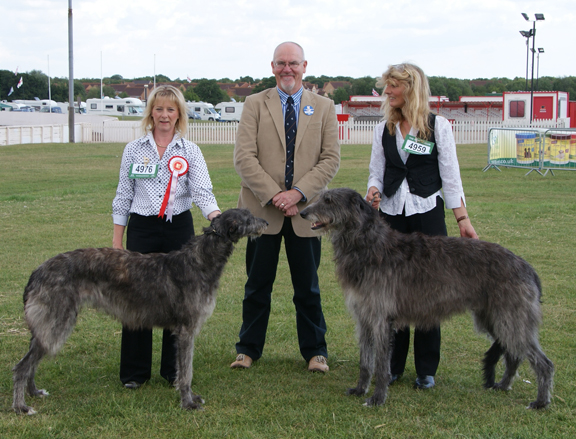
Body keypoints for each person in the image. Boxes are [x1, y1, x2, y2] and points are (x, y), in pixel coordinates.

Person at [366, 63, 478, 390]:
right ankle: (393, 365)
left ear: (411, 88)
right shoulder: (382, 128)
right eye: (387, 86)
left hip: (427, 211)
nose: (387, 92)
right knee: (392, 293)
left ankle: (426, 368)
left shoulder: (437, 126)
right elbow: (376, 171)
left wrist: (463, 219)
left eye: (393, 86)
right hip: (391, 216)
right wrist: (373, 190)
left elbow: (451, 177)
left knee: (429, 291)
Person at [231, 41, 340, 372]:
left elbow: (330, 159)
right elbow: (244, 158)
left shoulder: (323, 106)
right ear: (272, 66)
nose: (287, 69)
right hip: (262, 211)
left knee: (307, 287)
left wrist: (297, 194)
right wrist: (276, 195)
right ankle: (247, 349)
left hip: (306, 212)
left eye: (293, 63)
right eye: (281, 63)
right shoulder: (254, 103)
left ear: (305, 66)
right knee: (256, 285)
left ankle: (315, 351)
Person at [112, 85, 221, 389]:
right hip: (142, 230)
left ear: (179, 115)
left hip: (178, 230)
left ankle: (173, 371)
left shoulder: (190, 152)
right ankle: (134, 373)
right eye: (159, 109)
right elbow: (123, 196)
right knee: (136, 300)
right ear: (150, 113)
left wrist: (217, 217)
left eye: (170, 110)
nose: (164, 115)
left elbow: (202, 192)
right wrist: (117, 242)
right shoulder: (133, 150)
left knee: (178, 302)